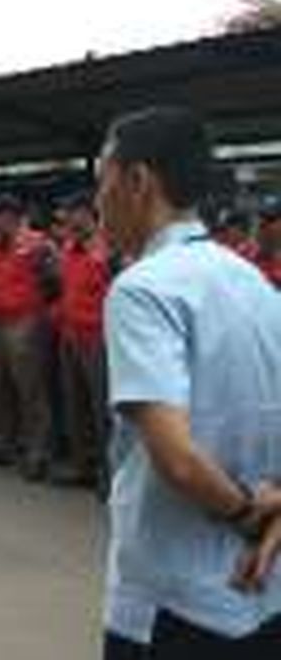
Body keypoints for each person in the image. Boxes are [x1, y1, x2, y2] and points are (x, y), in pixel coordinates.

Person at [96, 106, 281, 659]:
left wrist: (249, 517)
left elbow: (175, 458)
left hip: (175, 600)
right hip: (263, 595)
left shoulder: (143, 289)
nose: (97, 201)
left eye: (100, 180)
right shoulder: (252, 283)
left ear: (138, 182)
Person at [0, 194, 60, 481]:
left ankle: (38, 450)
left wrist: (39, 315)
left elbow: (55, 284)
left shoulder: (38, 244)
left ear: (12, 216)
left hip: (25, 320)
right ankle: (1, 442)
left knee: (30, 387)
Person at [50, 192, 113, 491]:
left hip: (98, 338)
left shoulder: (110, 248)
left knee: (102, 408)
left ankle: (109, 471)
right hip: (70, 336)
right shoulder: (67, 249)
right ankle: (82, 464)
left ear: (90, 215)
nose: (71, 220)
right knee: (75, 405)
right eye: (68, 214)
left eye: (76, 213)